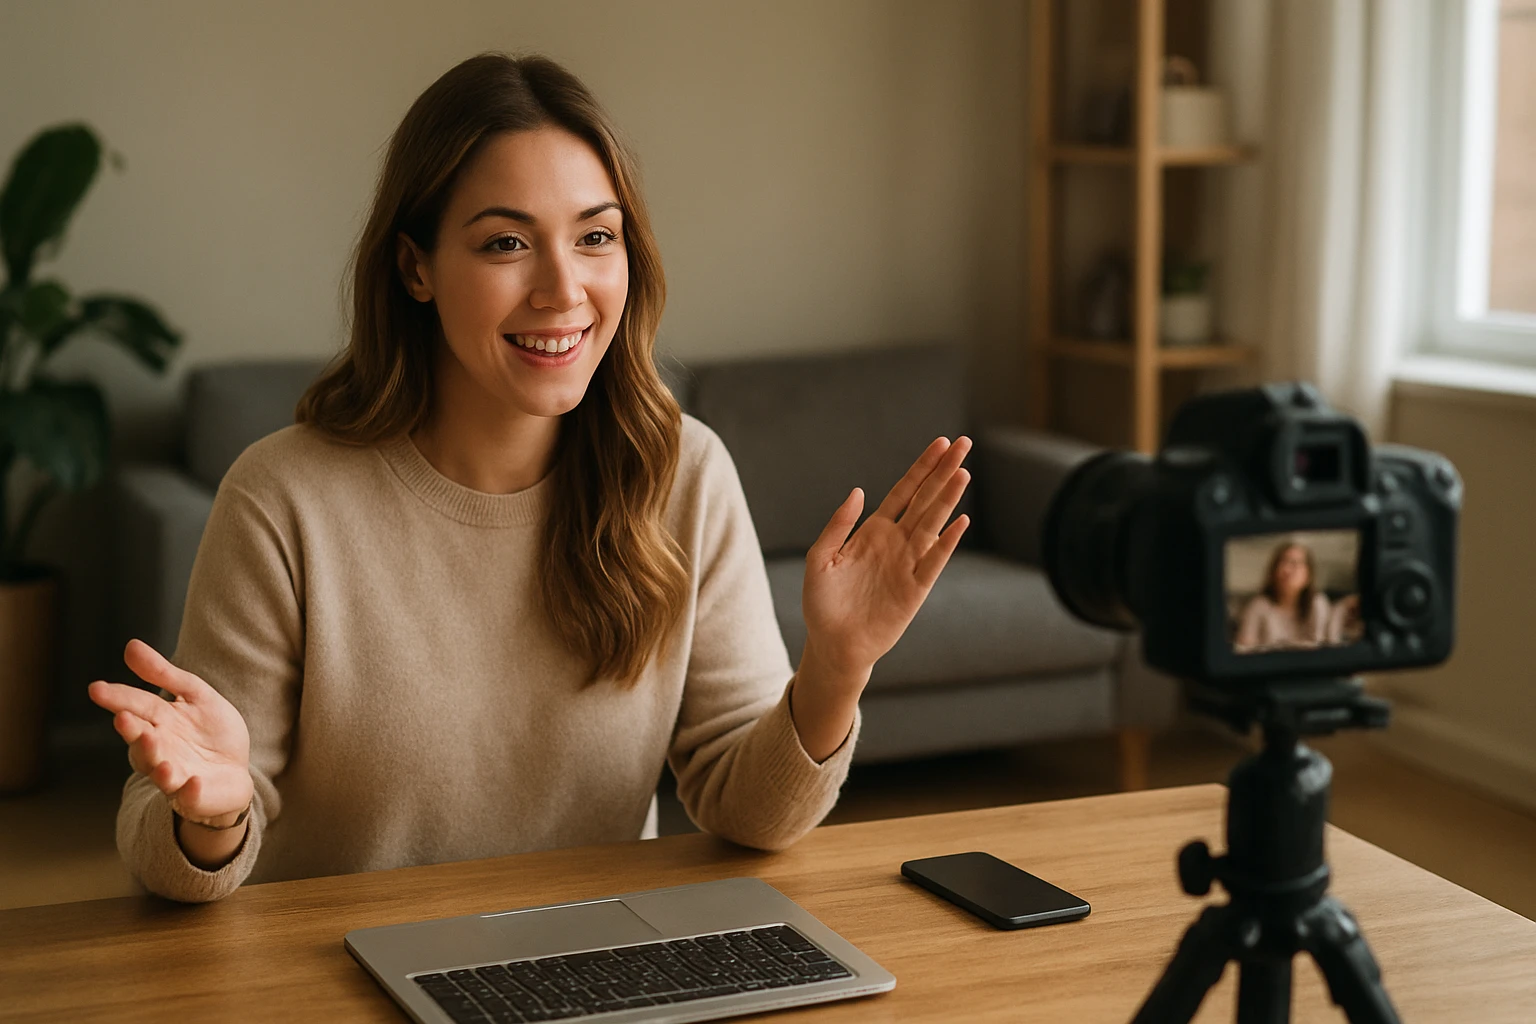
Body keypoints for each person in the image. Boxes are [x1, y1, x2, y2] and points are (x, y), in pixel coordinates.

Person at [86, 53, 972, 903]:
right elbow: (166, 851)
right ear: (416, 268)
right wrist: (214, 816)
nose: (562, 288)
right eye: (506, 242)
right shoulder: (283, 499)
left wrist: (837, 668)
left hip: (594, 965)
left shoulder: (683, 473)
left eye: (595, 237)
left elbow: (749, 813)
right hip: (341, 968)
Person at [1234, 540, 1336, 653]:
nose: (1287, 570)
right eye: (1283, 563)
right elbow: (1243, 649)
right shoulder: (1258, 606)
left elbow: (1323, 647)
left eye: (1295, 563)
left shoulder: (1317, 603)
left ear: (1308, 574)